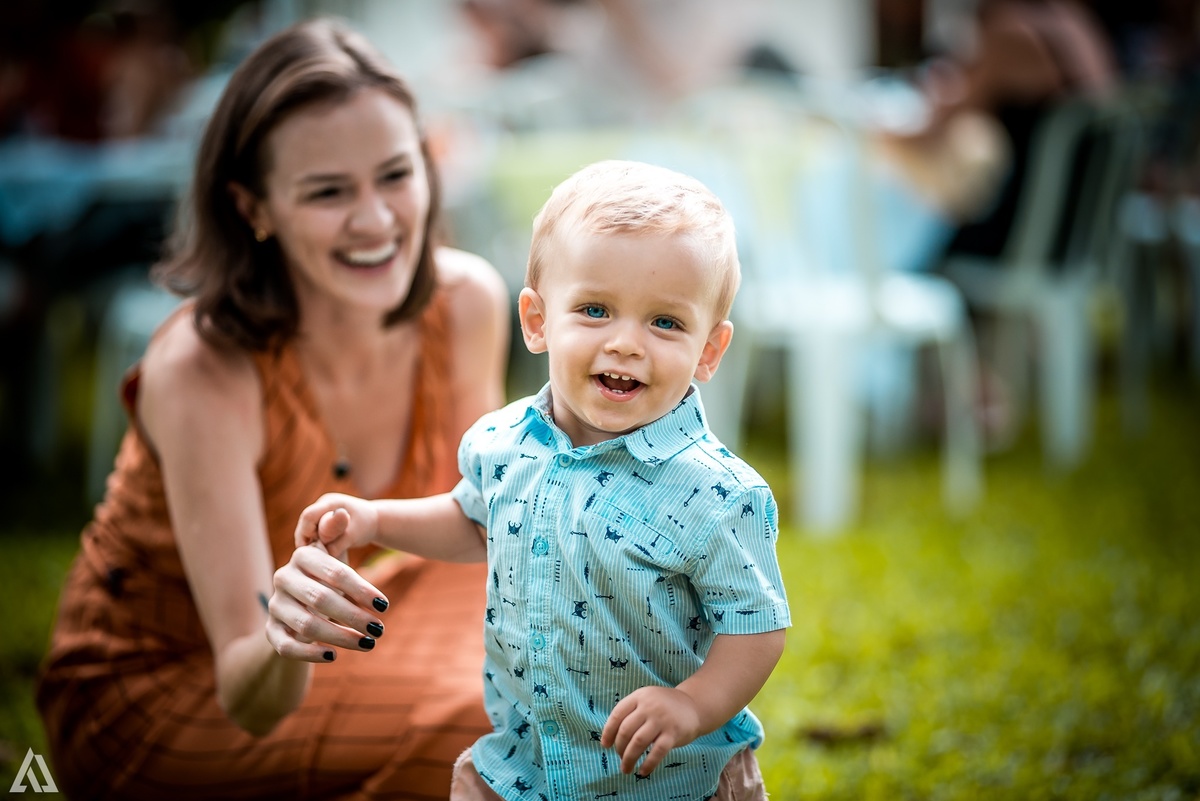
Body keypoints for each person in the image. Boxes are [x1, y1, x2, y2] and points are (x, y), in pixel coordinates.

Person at [35, 17, 510, 799]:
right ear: (253, 207)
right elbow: (249, 693)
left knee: (573, 699)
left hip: (366, 626)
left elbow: (480, 539)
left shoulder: (466, 304)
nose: (375, 220)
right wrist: (285, 631)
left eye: (396, 174)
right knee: (484, 731)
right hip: (177, 689)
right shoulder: (202, 367)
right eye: (327, 191)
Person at [276, 160, 791, 800]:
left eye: (665, 322)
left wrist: (693, 705)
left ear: (708, 351)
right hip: (523, 765)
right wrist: (376, 519)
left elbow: (756, 624)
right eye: (596, 310)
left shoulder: (715, 495)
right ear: (537, 321)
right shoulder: (503, 442)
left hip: (667, 777)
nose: (627, 343)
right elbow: (473, 520)